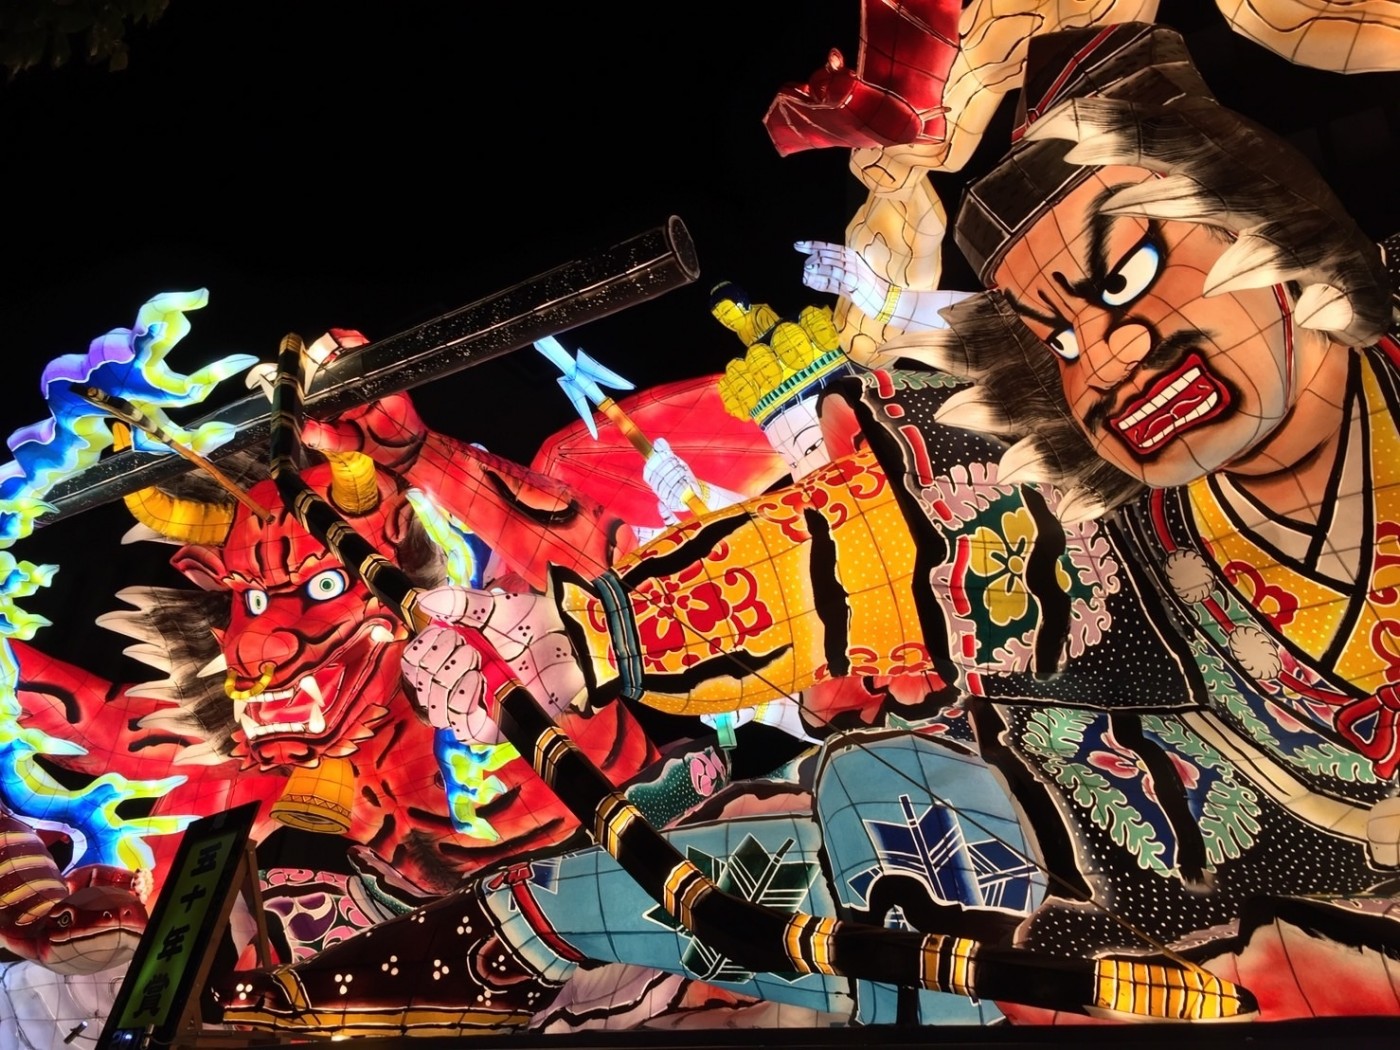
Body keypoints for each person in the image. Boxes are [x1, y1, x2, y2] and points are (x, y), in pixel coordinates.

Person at [217, 22, 1400, 1029]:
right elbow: (852, 553)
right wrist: (567, 640)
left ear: (1267, 222)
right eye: (1055, 335)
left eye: (1127, 274)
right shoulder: (1063, 504)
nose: (1108, 355)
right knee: (811, 829)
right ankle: (284, 1013)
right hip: (1158, 944)